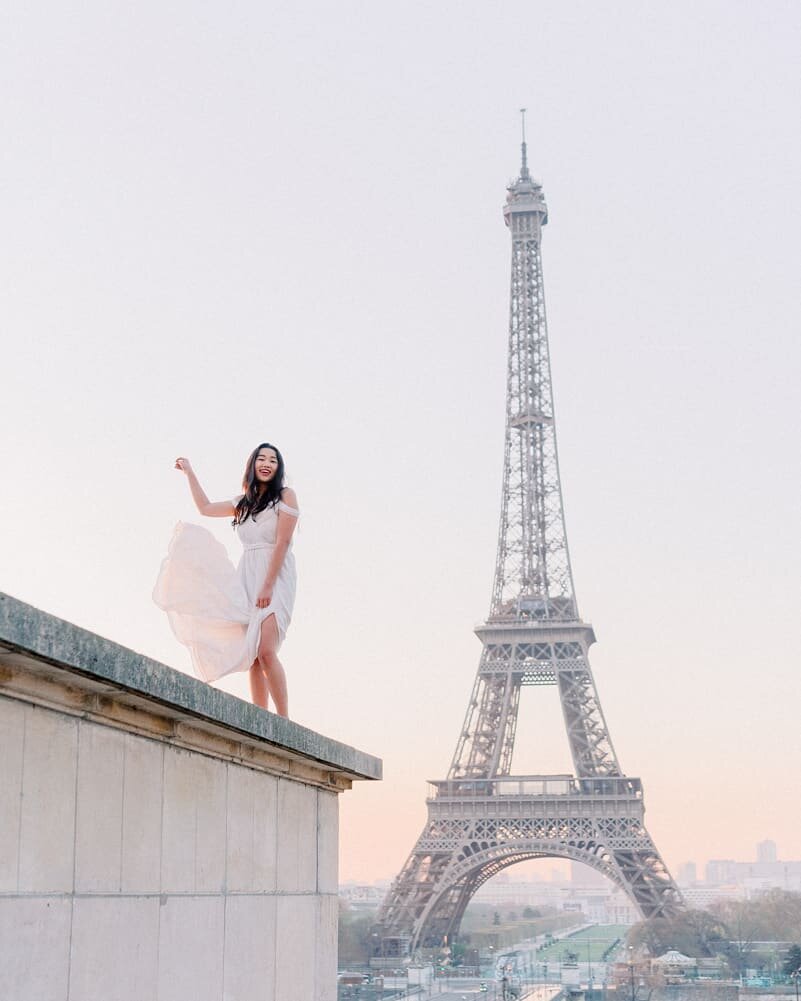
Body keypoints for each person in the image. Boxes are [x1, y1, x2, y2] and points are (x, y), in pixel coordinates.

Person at [153, 442, 299, 716]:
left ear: (278, 468)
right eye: (261, 459)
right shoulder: (242, 504)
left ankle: (284, 721)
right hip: (248, 575)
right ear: (253, 465)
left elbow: (283, 542)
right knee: (253, 655)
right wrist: (189, 472)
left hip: (276, 576)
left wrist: (267, 585)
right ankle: (261, 720)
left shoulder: (286, 497)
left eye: (273, 460)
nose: (267, 464)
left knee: (267, 650)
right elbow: (205, 507)